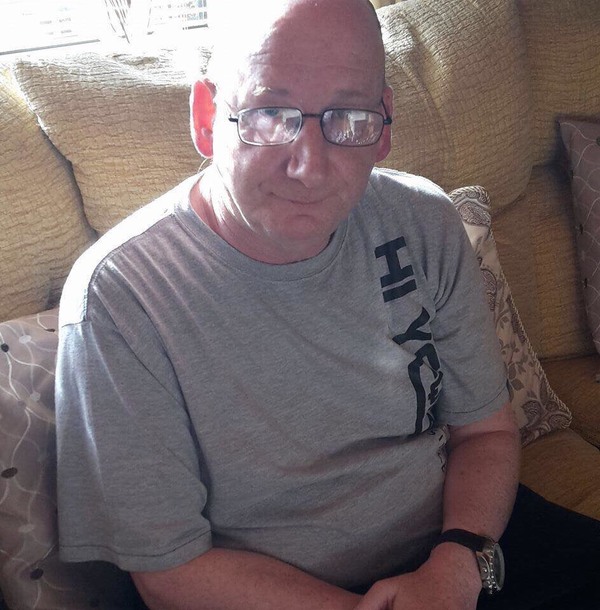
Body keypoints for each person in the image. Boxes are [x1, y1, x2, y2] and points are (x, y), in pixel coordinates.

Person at [55, 1, 599, 609]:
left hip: (457, 546)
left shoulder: (424, 222)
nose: (309, 166)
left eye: (348, 117)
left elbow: (487, 432)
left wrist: (459, 560)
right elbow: (169, 571)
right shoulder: (119, 295)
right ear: (207, 118)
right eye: (269, 114)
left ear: (384, 125)